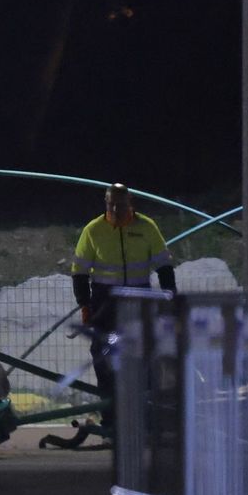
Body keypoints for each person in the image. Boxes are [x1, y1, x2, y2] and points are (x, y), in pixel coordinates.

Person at [69, 183, 176, 427]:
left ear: (131, 205)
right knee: (104, 357)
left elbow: (164, 268)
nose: (116, 209)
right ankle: (111, 419)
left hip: (140, 301)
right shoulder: (93, 230)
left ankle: (146, 417)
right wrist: (85, 305)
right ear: (105, 204)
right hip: (106, 305)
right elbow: (79, 272)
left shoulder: (147, 228)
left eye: (121, 205)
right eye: (111, 204)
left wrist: (170, 300)